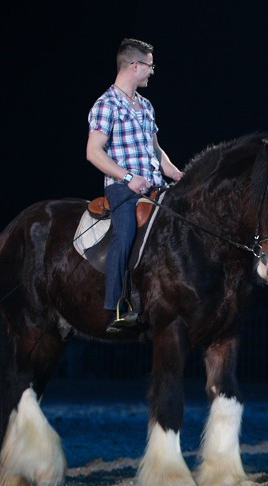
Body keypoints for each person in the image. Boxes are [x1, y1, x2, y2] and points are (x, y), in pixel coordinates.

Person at [86, 38, 183, 334]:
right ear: (134, 65)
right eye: (150, 66)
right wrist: (128, 178)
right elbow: (93, 152)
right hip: (123, 189)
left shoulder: (145, 105)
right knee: (125, 233)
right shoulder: (106, 104)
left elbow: (156, 151)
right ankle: (116, 307)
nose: (152, 72)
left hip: (154, 187)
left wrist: (178, 173)